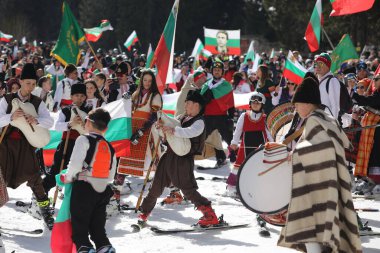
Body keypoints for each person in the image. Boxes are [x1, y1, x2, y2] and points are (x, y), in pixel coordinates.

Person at [278, 77, 362, 253]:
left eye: (297, 104)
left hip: (319, 186)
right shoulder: (326, 117)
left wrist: (297, 153)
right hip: (327, 181)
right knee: (321, 227)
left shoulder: (315, 120)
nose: (296, 108)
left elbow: (321, 147)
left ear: (308, 103)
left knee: (311, 224)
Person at [137, 90, 219, 227]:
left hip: (183, 159)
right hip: (168, 156)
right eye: (186, 103)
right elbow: (169, 133)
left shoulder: (199, 122)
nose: (185, 105)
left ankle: (210, 214)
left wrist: (172, 130)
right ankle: (144, 212)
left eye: (188, 103)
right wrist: (161, 129)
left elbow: (190, 132)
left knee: (187, 190)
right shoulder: (181, 117)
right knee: (156, 186)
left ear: (196, 105)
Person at [0, 63, 54, 229]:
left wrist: (36, 120)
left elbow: (50, 121)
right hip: (5, 146)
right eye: (27, 83)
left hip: (26, 146)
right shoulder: (7, 99)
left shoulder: (38, 102)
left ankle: (46, 214)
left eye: (33, 84)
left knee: (35, 177)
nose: (30, 86)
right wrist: (10, 117)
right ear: (21, 81)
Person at [61, 108, 116, 253]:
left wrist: (67, 178)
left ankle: (85, 248)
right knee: (98, 227)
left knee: (80, 227)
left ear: (88, 123)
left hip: (84, 188)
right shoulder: (110, 146)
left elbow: (74, 164)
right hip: (103, 190)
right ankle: (105, 247)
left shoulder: (83, 139)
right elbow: (111, 175)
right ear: (106, 128)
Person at [112, 69, 162, 207]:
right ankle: (115, 195)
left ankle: (175, 190)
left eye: (149, 81)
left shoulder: (155, 95)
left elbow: (154, 116)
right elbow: (128, 110)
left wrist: (141, 132)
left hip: (147, 131)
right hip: (132, 129)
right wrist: (126, 100)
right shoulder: (135, 94)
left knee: (157, 162)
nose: (147, 83)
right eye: (144, 80)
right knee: (124, 162)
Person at [42, 83, 92, 195]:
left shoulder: (89, 111)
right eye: (76, 95)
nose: (79, 98)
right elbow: (58, 126)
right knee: (56, 171)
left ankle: (74, 199)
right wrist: (70, 124)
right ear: (71, 96)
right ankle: (40, 195)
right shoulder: (66, 110)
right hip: (67, 144)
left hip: (82, 146)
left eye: (82, 96)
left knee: (79, 173)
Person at [226, 92, 272, 196]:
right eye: (253, 102)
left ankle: (257, 187)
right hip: (245, 147)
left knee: (258, 166)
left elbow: (268, 133)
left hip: (260, 148)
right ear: (250, 104)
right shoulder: (244, 116)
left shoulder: (265, 118)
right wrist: (234, 142)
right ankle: (232, 188)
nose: (255, 104)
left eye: (258, 103)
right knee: (239, 166)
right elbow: (238, 131)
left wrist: (273, 144)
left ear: (262, 105)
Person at [201, 61, 235, 167]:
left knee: (229, 139)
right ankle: (190, 157)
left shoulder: (226, 85)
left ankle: (235, 155)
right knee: (201, 137)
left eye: (219, 70)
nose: (216, 72)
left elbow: (230, 101)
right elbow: (201, 99)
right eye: (215, 70)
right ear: (212, 71)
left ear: (222, 72)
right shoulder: (206, 84)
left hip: (221, 116)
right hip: (207, 116)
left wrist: (231, 115)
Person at [351, 73, 380, 195]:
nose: (375, 80)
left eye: (377, 79)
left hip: (377, 130)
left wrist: (353, 94)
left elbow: (367, 101)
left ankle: (377, 182)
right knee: (372, 155)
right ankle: (371, 181)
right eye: (374, 78)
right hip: (372, 131)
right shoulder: (377, 93)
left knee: (376, 155)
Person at [314, 53, 340, 119]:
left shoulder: (332, 81)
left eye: (321, 64)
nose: (318, 66)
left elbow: (335, 106)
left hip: (327, 123)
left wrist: (333, 125)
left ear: (328, 66)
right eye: (316, 64)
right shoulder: (317, 80)